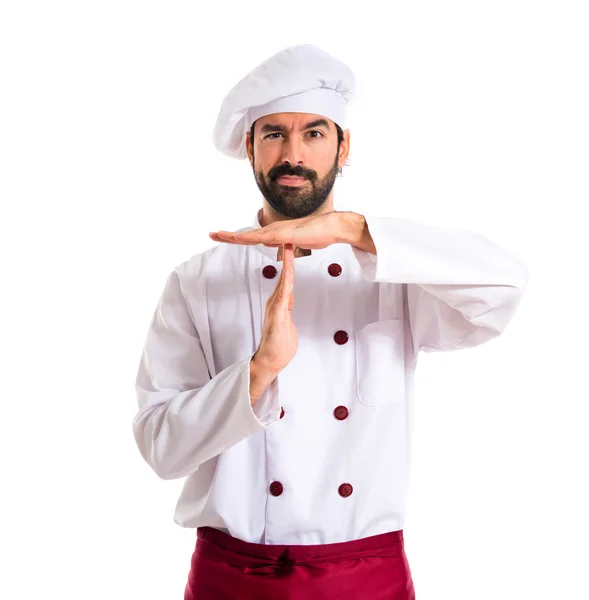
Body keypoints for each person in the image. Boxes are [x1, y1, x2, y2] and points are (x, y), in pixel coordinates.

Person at [132, 44, 528, 599]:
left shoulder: (395, 271)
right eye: (274, 134)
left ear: (345, 147)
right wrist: (258, 371)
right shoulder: (196, 281)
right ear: (249, 148)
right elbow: (160, 447)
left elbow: (505, 289)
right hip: (234, 578)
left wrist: (355, 232)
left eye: (314, 133)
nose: (293, 153)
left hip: (366, 578)